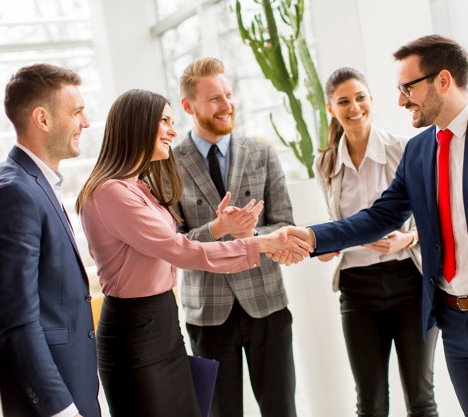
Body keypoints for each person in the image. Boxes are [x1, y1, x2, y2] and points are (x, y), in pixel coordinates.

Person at [284, 35, 468, 417]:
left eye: (408, 88)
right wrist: (312, 237)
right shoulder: (419, 149)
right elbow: (381, 215)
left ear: (443, 81)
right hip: (455, 324)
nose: (400, 99)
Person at [75, 89, 309, 417]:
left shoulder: (138, 186)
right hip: (135, 329)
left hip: (162, 321)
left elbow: (167, 242)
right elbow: (180, 250)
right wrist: (262, 243)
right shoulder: (112, 193)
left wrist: (218, 227)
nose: (173, 130)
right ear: (138, 125)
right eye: (165, 122)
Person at [173, 57, 297, 417]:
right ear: (188, 105)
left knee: (281, 410)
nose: (226, 105)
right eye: (214, 99)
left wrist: (252, 234)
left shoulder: (263, 154)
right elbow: (174, 243)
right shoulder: (168, 164)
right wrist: (218, 230)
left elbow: (285, 223)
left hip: (267, 305)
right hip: (207, 314)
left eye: (228, 95)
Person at [0, 63, 100, 417]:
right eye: (76, 112)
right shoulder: (13, 193)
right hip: (51, 404)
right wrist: (60, 409)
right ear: (42, 119)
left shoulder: (32, 184)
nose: (86, 123)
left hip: (73, 385)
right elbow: (18, 321)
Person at [315, 67, 438, 417]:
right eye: (343, 101)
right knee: (369, 403)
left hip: (409, 284)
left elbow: (438, 222)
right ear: (331, 109)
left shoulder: (406, 150)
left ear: (372, 100)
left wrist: (407, 239)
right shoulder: (324, 162)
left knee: (421, 398)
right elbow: (341, 227)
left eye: (360, 97)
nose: (354, 107)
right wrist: (327, 246)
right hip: (357, 290)